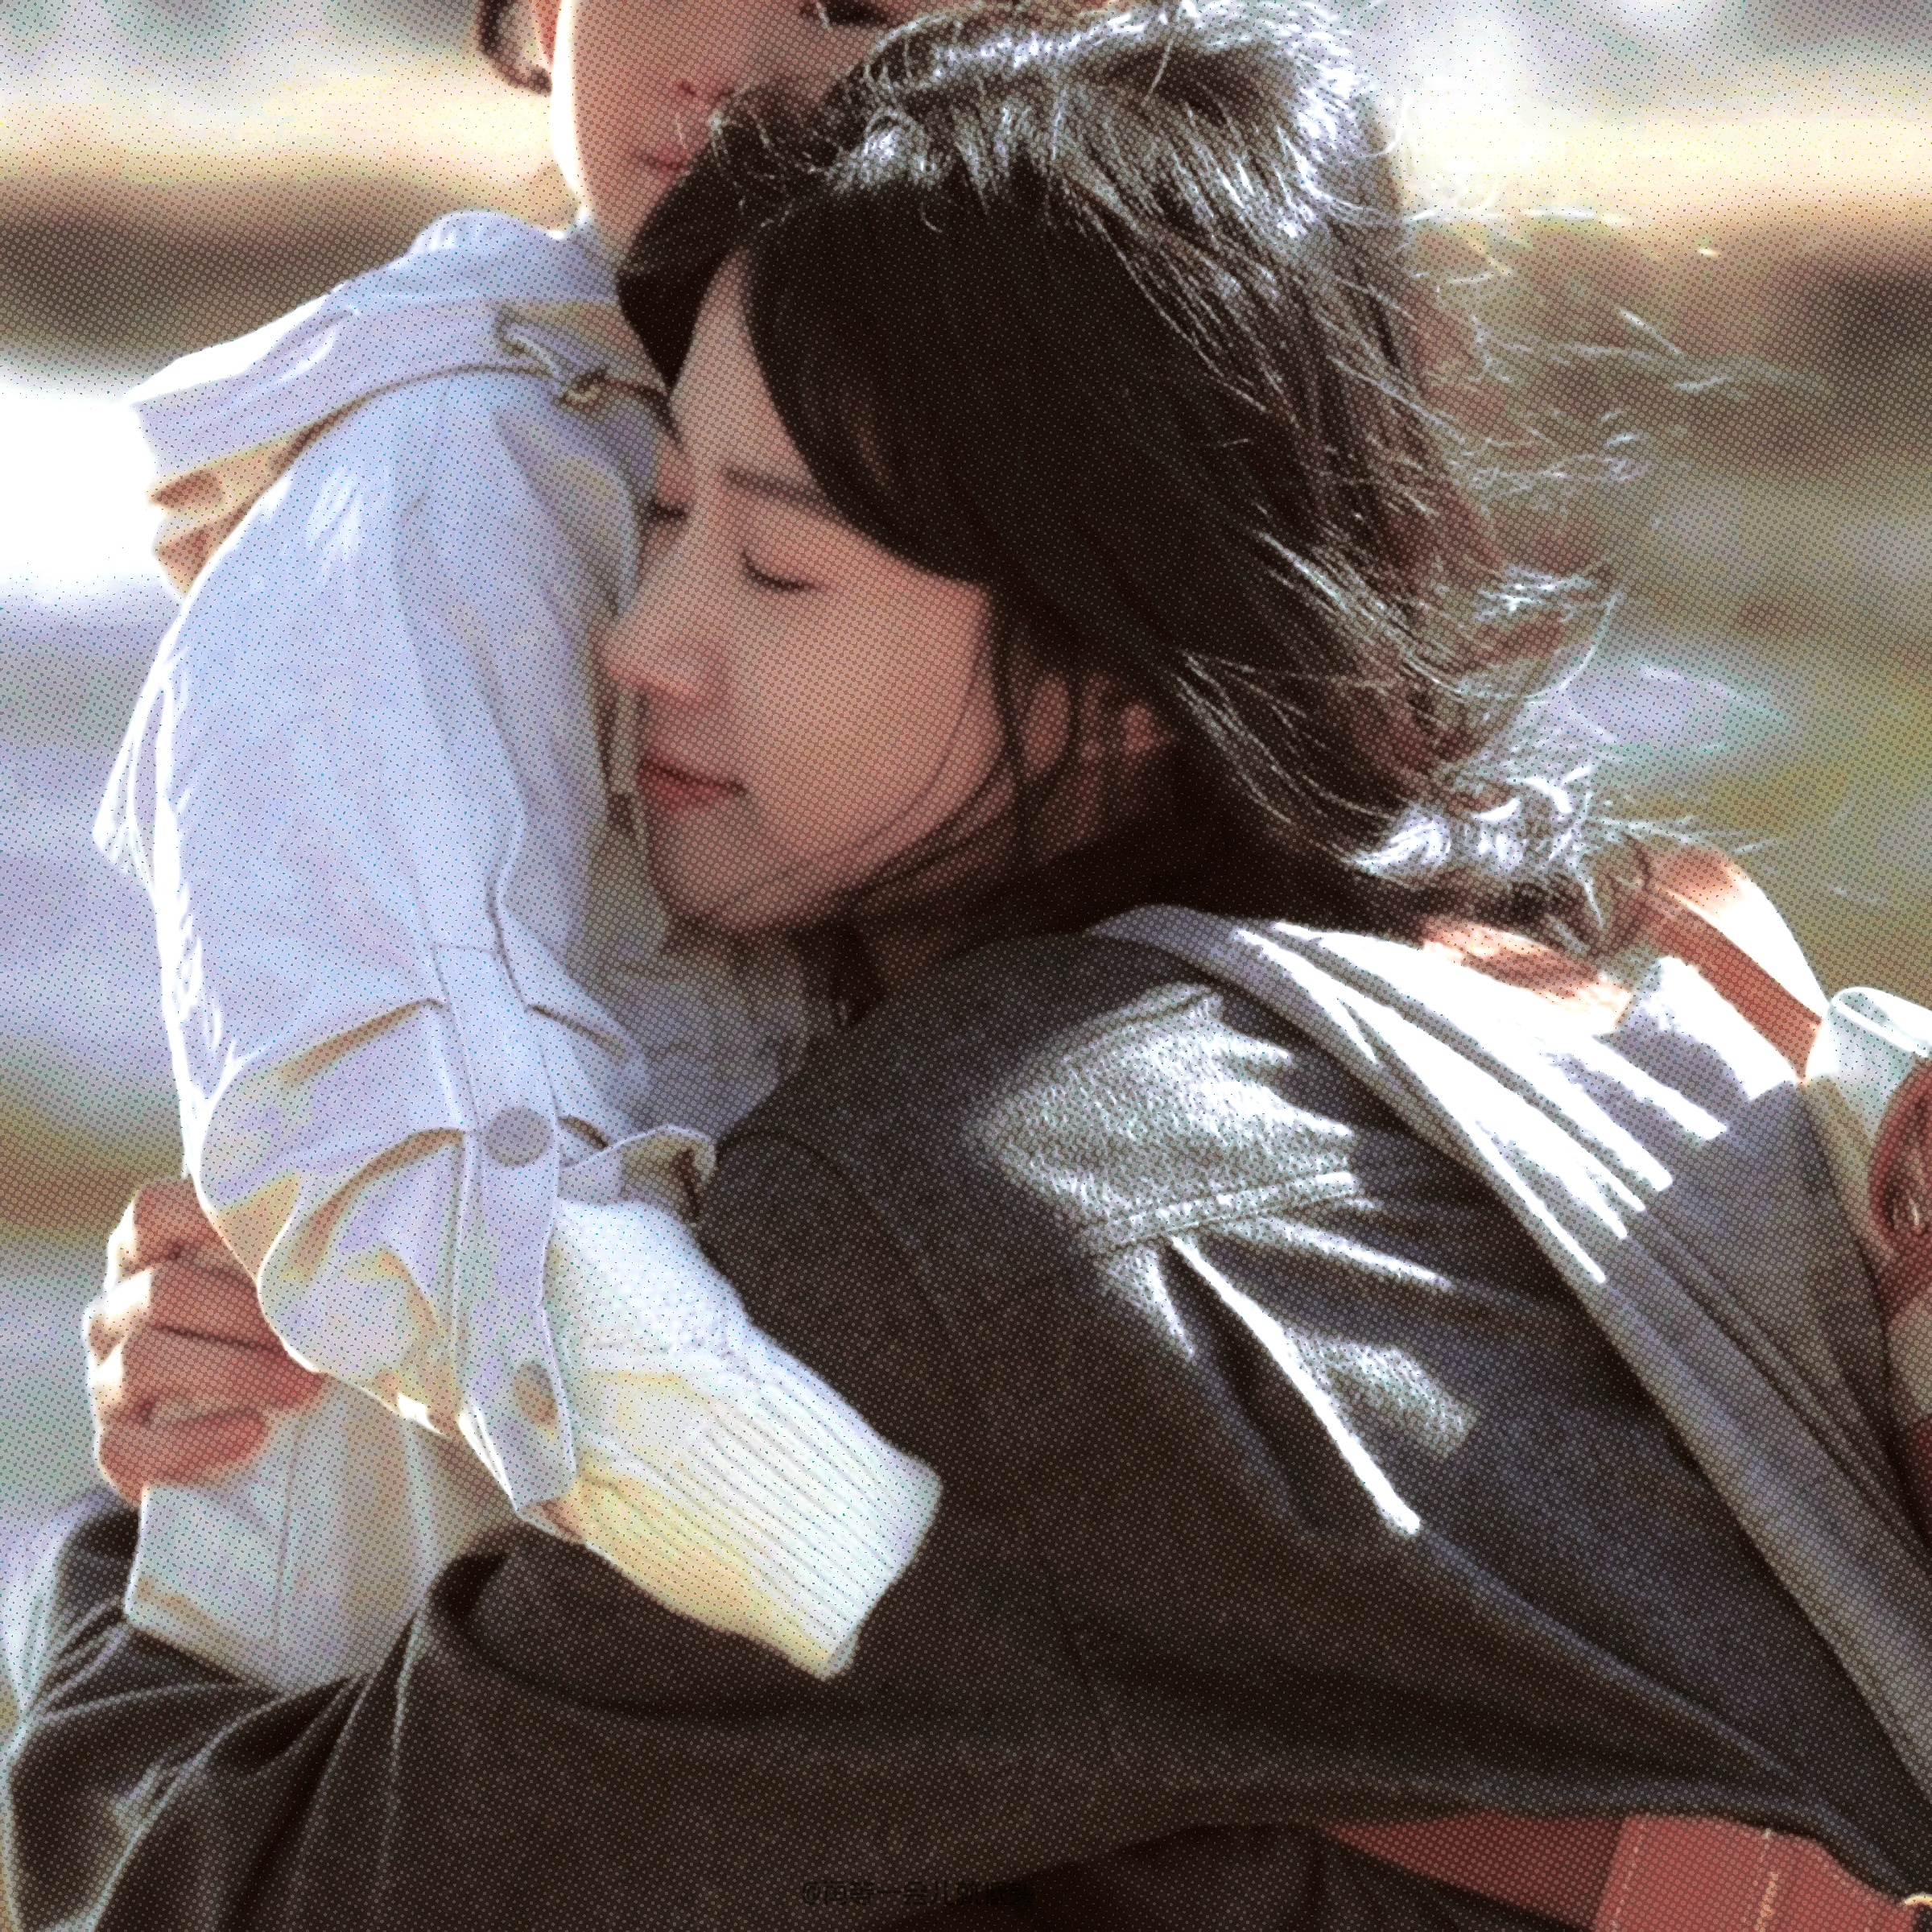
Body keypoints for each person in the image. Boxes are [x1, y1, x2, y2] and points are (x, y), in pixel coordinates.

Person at [13, 2, 1932, 1926]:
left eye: (778, 571)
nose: (639, 645)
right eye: (659, 520)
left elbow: (215, 1898)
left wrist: (177, 1533)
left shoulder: (956, 1243)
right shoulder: (1602, 973)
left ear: (1117, 664)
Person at [88, 0, 945, 1691]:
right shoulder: (444, 479)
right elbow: (401, 1125)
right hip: (438, 1712)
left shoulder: (1006, 424)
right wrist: (896, 1582)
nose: (725, 64)